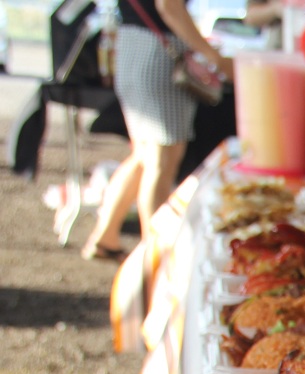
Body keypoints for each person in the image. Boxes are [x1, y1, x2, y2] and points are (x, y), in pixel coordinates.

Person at [80, 0, 231, 260]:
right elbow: (168, 7)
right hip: (155, 53)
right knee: (162, 161)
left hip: (131, 46)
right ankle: (155, 254)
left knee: (144, 155)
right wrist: (214, 56)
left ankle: (105, 236)